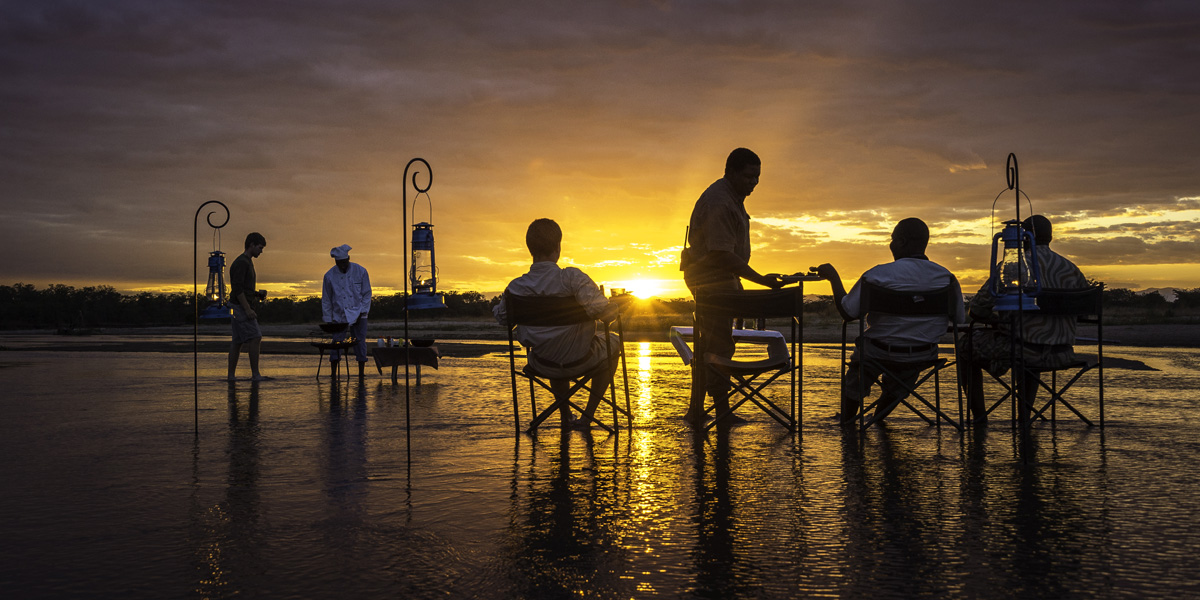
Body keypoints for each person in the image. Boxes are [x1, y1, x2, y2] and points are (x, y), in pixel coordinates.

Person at [814, 218, 965, 426]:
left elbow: (848, 313)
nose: (890, 244)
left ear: (901, 241)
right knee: (903, 376)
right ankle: (876, 418)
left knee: (859, 371)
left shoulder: (877, 275)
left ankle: (848, 423)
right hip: (922, 355)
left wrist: (833, 278)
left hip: (877, 353)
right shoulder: (947, 278)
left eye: (892, 239)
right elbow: (959, 320)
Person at [680, 147, 785, 425]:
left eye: (758, 177)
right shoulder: (721, 202)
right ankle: (720, 412)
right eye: (749, 177)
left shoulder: (733, 197)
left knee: (710, 344)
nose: (754, 183)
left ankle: (699, 411)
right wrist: (762, 280)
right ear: (732, 172)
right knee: (718, 345)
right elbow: (721, 254)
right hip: (710, 280)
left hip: (721, 278)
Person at [493, 218, 623, 429]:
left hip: (541, 363)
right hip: (581, 360)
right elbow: (606, 315)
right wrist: (616, 306)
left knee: (552, 344)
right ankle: (587, 417)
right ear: (558, 247)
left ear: (530, 249)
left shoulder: (516, 287)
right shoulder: (572, 279)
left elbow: (501, 318)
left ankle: (565, 415)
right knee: (614, 342)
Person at [958, 214, 1088, 425]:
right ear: (1051, 238)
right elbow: (1082, 313)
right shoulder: (1071, 269)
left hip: (1021, 351)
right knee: (1027, 344)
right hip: (1062, 354)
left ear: (1022, 237)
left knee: (965, 345)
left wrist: (997, 320)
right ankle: (1024, 419)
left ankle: (979, 419)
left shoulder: (1012, 268)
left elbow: (977, 310)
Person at [321, 244, 373, 378]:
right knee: (336, 343)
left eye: (344, 262)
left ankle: (361, 373)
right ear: (336, 262)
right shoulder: (329, 276)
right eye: (339, 263)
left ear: (348, 259)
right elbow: (327, 299)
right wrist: (328, 319)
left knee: (360, 342)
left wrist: (363, 311)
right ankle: (333, 373)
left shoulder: (360, 271)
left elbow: (367, 293)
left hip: (359, 312)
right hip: (339, 314)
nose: (342, 265)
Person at [227, 232, 270, 381]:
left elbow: (244, 288)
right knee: (256, 337)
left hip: (237, 306)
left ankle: (231, 377)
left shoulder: (247, 262)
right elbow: (237, 289)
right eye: (260, 247)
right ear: (251, 245)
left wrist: (257, 295)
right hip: (239, 307)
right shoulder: (241, 262)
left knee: (237, 341)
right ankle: (255, 375)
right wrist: (247, 309)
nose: (261, 251)